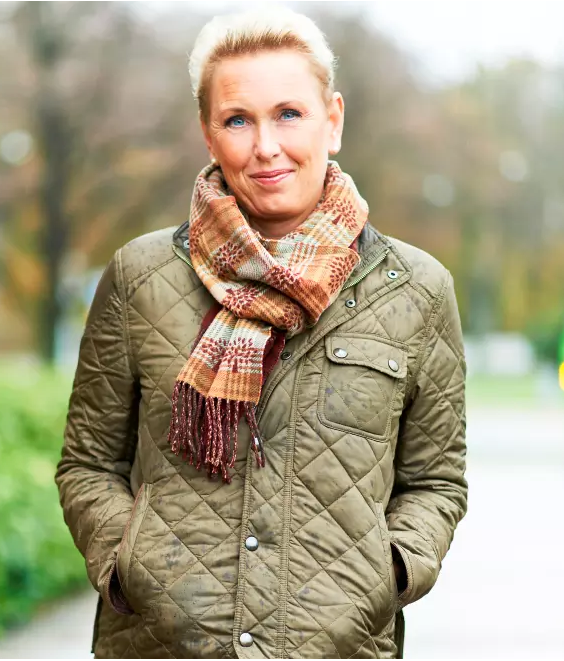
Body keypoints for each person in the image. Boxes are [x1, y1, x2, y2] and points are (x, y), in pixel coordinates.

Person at [56, 7, 468, 659]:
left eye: (289, 114)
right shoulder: (140, 276)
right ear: (208, 135)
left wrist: (384, 575)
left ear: (332, 120)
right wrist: (127, 567)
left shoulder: (416, 289)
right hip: (160, 645)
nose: (266, 146)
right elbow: (88, 464)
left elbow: (435, 480)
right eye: (238, 120)